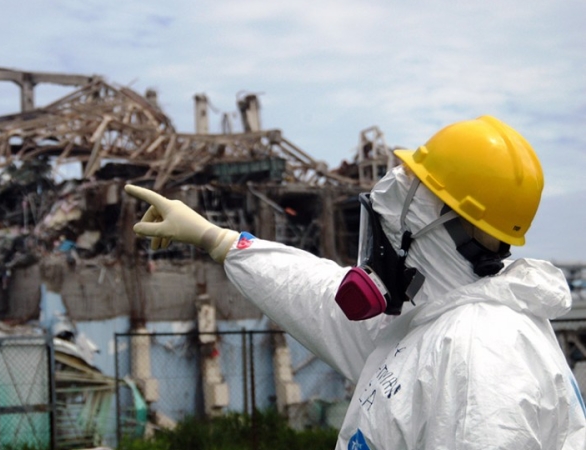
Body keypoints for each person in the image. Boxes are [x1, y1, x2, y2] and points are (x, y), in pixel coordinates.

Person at [124, 115, 586, 449]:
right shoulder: (433, 318)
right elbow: (316, 294)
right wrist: (218, 238)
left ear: (429, 218)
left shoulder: (480, 357)